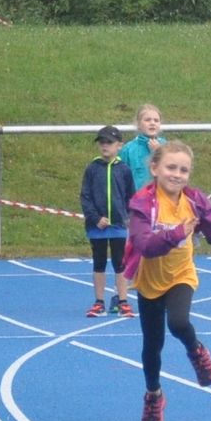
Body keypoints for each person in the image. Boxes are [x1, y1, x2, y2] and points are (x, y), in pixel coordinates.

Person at [124, 140, 211, 421]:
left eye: (183, 170)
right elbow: (145, 245)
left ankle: (196, 350)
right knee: (152, 345)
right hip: (150, 279)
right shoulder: (142, 204)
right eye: (171, 168)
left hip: (180, 274)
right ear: (155, 168)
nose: (177, 175)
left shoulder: (194, 200)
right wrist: (176, 233)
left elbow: (210, 221)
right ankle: (153, 395)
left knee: (178, 322)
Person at [80, 124, 135, 318]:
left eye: (109, 142)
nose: (105, 146)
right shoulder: (92, 169)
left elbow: (131, 197)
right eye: (102, 142)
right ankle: (99, 302)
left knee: (120, 263)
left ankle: (123, 301)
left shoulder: (124, 170)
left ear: (119, 145)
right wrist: (95, 218)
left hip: (118, 226)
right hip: (97, 227)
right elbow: (85, 197)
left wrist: (129, 217)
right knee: (99, 262)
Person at [120, 103, 164, 192]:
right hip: (136, 198)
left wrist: (159, 152)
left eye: (156, 120)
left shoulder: (166, 147)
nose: (152, 123)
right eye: (147, 120)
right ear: (138, 124)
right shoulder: (128, 149)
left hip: (160, 197)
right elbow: (120, 177)